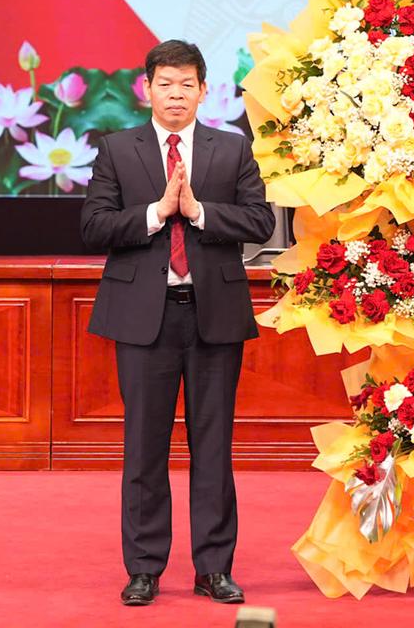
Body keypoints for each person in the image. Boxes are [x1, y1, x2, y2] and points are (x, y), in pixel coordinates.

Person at [81, 40, 275, 607]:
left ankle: (214, 568)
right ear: (147, 88)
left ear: (203, 91)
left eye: (186, 84)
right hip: (146, 319)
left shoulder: (231, 149)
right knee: (145, 448)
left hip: (213, 315)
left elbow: (260, 222)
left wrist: (197, 212)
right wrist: (156, 213)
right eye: (165, 84)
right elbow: (93, 226)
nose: (175, 94)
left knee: (213, 448)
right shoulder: (117, 149)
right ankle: (144, 568)